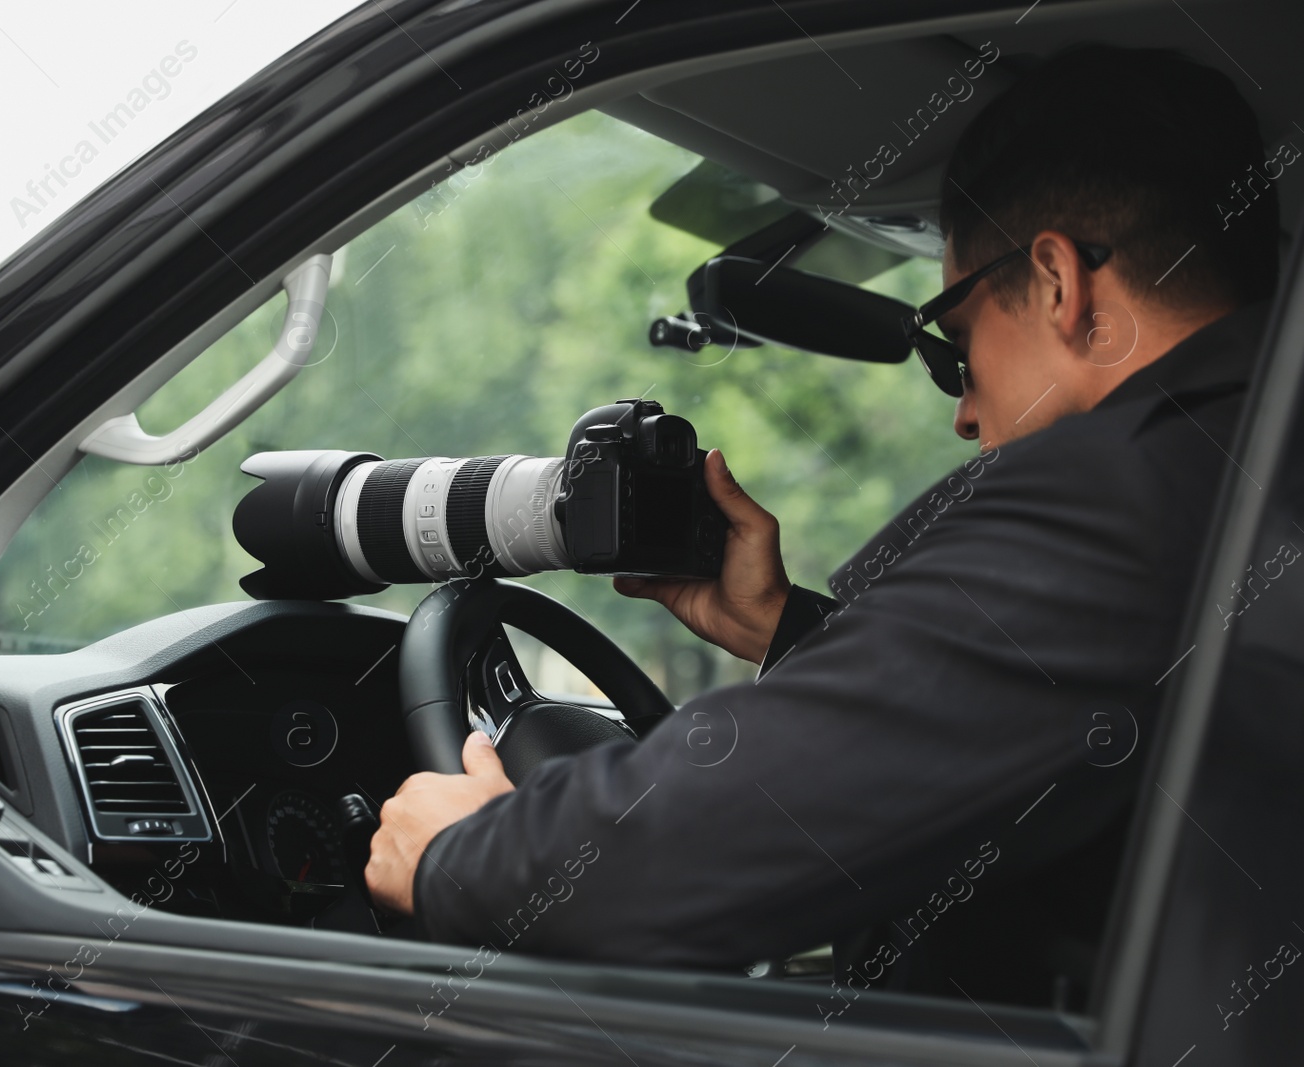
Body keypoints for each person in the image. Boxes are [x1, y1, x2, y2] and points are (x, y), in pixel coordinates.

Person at [363, 44, 1282, 1009]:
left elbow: (736, 834)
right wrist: (788, 631)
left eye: (953, 346)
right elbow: (1005, 710)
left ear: (1058, 283)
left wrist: (461, 854)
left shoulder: (1139, 489)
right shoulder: (1243, 462)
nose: (963, 413)